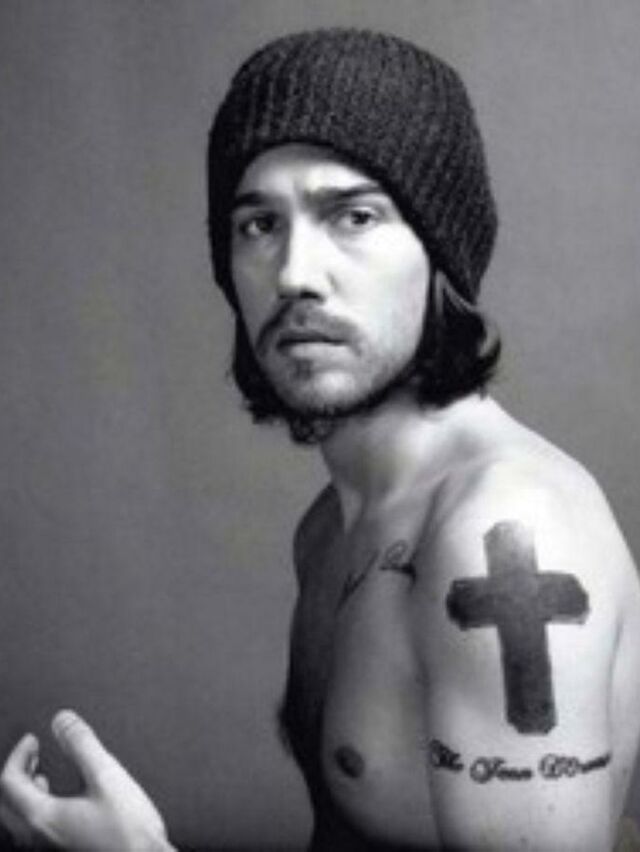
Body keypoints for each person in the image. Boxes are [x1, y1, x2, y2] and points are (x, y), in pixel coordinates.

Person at [1, 27, 639, 852]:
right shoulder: (333, 527)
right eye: (258, 224)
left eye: (355, 216)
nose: (295, 273)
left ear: (442, 255)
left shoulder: (504, 534)